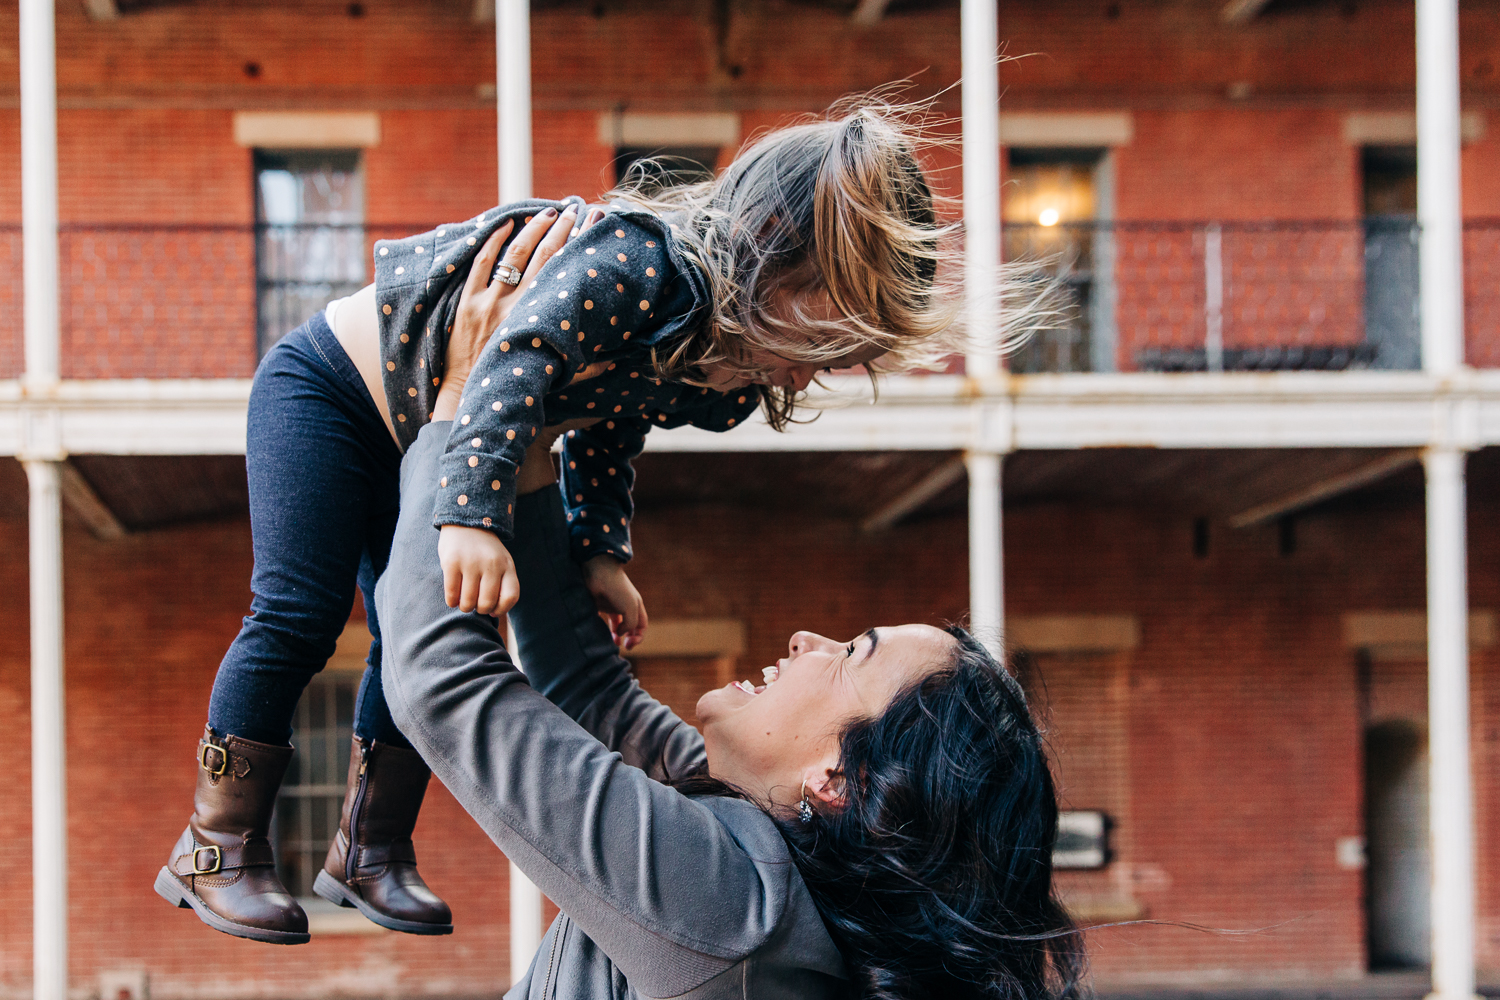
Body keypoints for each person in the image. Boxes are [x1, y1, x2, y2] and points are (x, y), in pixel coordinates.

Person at [156, 97, 979, 944]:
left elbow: (608, 419)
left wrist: (598, 547)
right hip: (335, 390)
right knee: (300, 612)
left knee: (413, 628)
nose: (814, 377)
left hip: (432, 431)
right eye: (820, 346)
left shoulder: (702, 357)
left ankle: (369, 849)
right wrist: (471, 512)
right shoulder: (642, 263)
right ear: (769, 248)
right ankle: (215, 845)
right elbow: (518, 356)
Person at [374, 406, 1084, 999]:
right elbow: (596, 697)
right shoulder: (775, 851)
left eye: (850, 654)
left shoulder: (737, 909)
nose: (809, 639)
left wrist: (461, 416)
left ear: (839, 780)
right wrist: (527, 458)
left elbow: (443, 684)